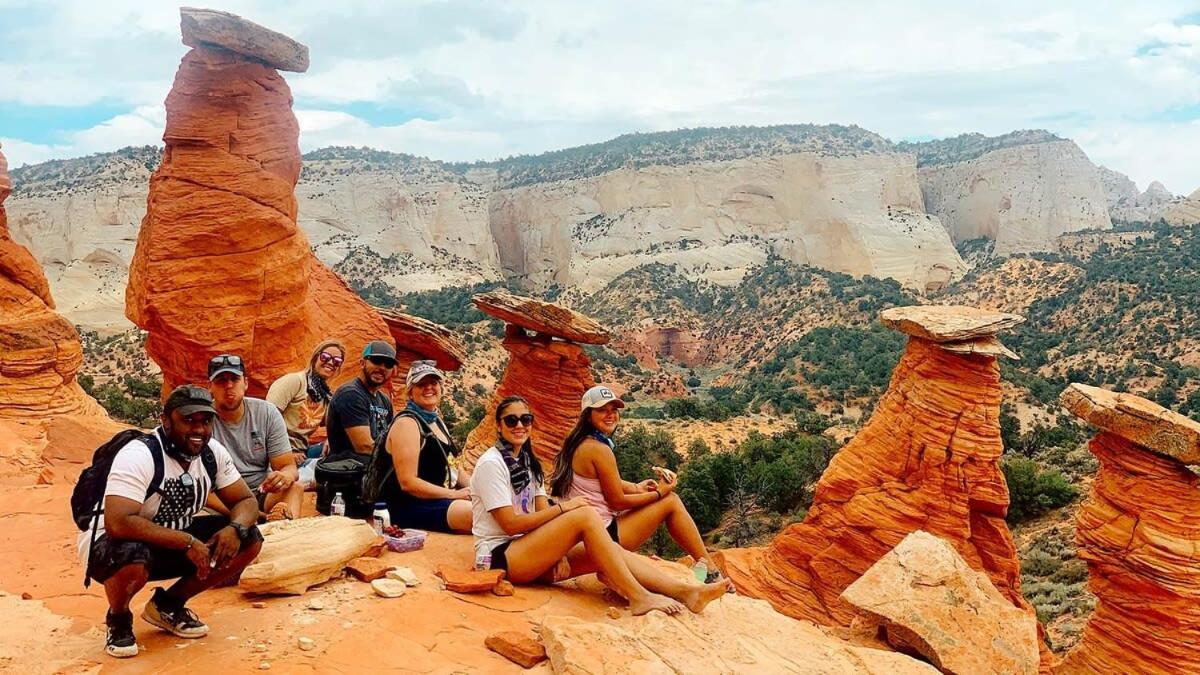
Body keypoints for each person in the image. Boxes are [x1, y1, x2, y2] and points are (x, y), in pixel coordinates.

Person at [471, 396, 730, 616]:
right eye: (511, 420)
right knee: (583, 514)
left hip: (529, 549)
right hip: (500, 556)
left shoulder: (528, 462)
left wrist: (556, 549)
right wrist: (565, 509)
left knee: (614, 549)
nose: (520, 426)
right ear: (498, 425)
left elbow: (540, 513)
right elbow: (510, 524)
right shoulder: (492, 465)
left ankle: (688, 593)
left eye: (525, 420)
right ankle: (639, 596)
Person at [78, 385, 263, 659]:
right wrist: (187, 541)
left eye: (205, 420)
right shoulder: (139, 455)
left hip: (170, 537)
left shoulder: (212, 453)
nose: (198, 429)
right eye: (188, 420)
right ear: (166, 420)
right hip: (111, 545)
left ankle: (168, 605)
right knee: (132, 554)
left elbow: (246, 501)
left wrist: (234, 529)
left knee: (249, 539)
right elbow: (118, 522)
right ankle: (118, 618)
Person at [551, 385, 721, 582]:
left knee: (665, 499)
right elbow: (617, 502)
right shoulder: (598, 449)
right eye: (602, 410)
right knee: (671, 501)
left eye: (613, 410)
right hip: (602, 537)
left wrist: (636, 487)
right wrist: (660, 493)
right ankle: (710, 569)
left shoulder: (577, 442)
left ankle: (706, 567)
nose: (610, 415)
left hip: (581, 535)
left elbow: (597, 480)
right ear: (588, 415)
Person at [368, 360, 471, 533]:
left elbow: (453, 466)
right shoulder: (407, 424)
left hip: (436, 500)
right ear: (410, 392)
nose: (429, 388)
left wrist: (477, 488)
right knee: (478, 515)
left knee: (495, 506)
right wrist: (455, 495)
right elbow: (408, 483)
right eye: (421, 384)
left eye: (434, 382)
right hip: (408, 506)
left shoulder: (437, 421)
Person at [207, 354, 302, 521]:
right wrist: (251, 515)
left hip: (260, 490)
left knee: (294, 489)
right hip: (222, 498)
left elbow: (288, 466)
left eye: (234, 379)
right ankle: (269, 528)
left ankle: (283, 531)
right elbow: (201, 487)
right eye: (221, 380)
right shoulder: (203, 420)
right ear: (210, 387)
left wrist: (284, 476)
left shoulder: (266, 413)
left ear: (245, 383)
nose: (229, 386)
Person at [266, 339, 345, 460]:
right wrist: (285, 454)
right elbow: (266, 419)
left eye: (337, 361)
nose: (330, 363)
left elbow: (338, 427)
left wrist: (331, 440)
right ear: (315, 358)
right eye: (325, 357)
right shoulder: (295, 381)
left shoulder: (326, 397)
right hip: (277, 451)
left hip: (303, 453)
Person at [324, 340, 396, 459]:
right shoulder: (350, 394)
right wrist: (403, 456)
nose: (382, 368)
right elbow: (364, 447)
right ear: (362, 363)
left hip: (373, 468)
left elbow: (389, 438)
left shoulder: (385, 401)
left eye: (388, 364)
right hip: (348, 470)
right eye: (376, 361)